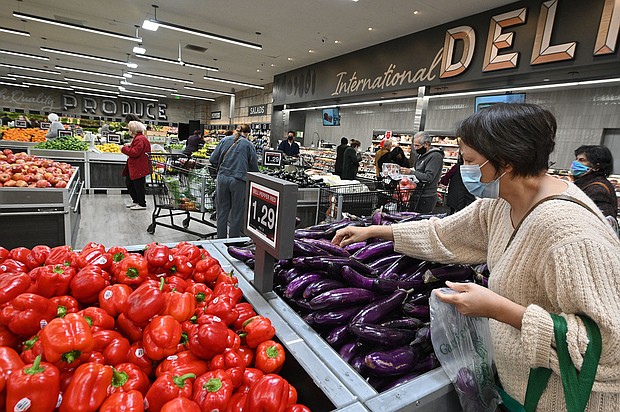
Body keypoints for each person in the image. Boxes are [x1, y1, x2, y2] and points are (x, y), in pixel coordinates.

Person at [333, 103, 620, 412]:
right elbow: (444, 233)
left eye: (468, 160)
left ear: (506, 162)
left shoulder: (570, 234)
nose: (462, 168)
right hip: (519, 389)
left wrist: (500, 309)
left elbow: (609, 348)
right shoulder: (501, 203)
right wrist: (376, 232)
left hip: (560, 402)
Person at [210, 124, 258, 238]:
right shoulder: (248, 144)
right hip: (239, 180)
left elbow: (212, 159)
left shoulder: (224, 140)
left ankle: (220, 240)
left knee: (222, 211)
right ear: (247, 133)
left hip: (222, 179)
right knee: (236, 213)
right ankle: (233, 242)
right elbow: (254, 168)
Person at [400, 131, 444, 212]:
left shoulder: (435, 156)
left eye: (417, 146)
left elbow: (429, 177)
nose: (415, 148)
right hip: (417, 193)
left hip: (426, 196)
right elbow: (418, 171)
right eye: (414, 146)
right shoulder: (421, 155)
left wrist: (411, 172)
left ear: (426, 144)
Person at [572, 145, 618, 221]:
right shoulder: (585, 182)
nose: (575, 163)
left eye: (582, 160)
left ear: (596, 167)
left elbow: (603, 222)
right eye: (576, 159)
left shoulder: (598, 190)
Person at [121, 121, 151, 210]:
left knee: (138, 185)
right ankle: (136, 201)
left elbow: (135, 152)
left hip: (139, 166)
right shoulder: (139, 138)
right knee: (130, 183)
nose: (128, 131)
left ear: (132, 130)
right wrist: (130, 145)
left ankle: (141, 204)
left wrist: (123, 149)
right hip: (136, 166)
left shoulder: (139, 139)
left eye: (129, 129)